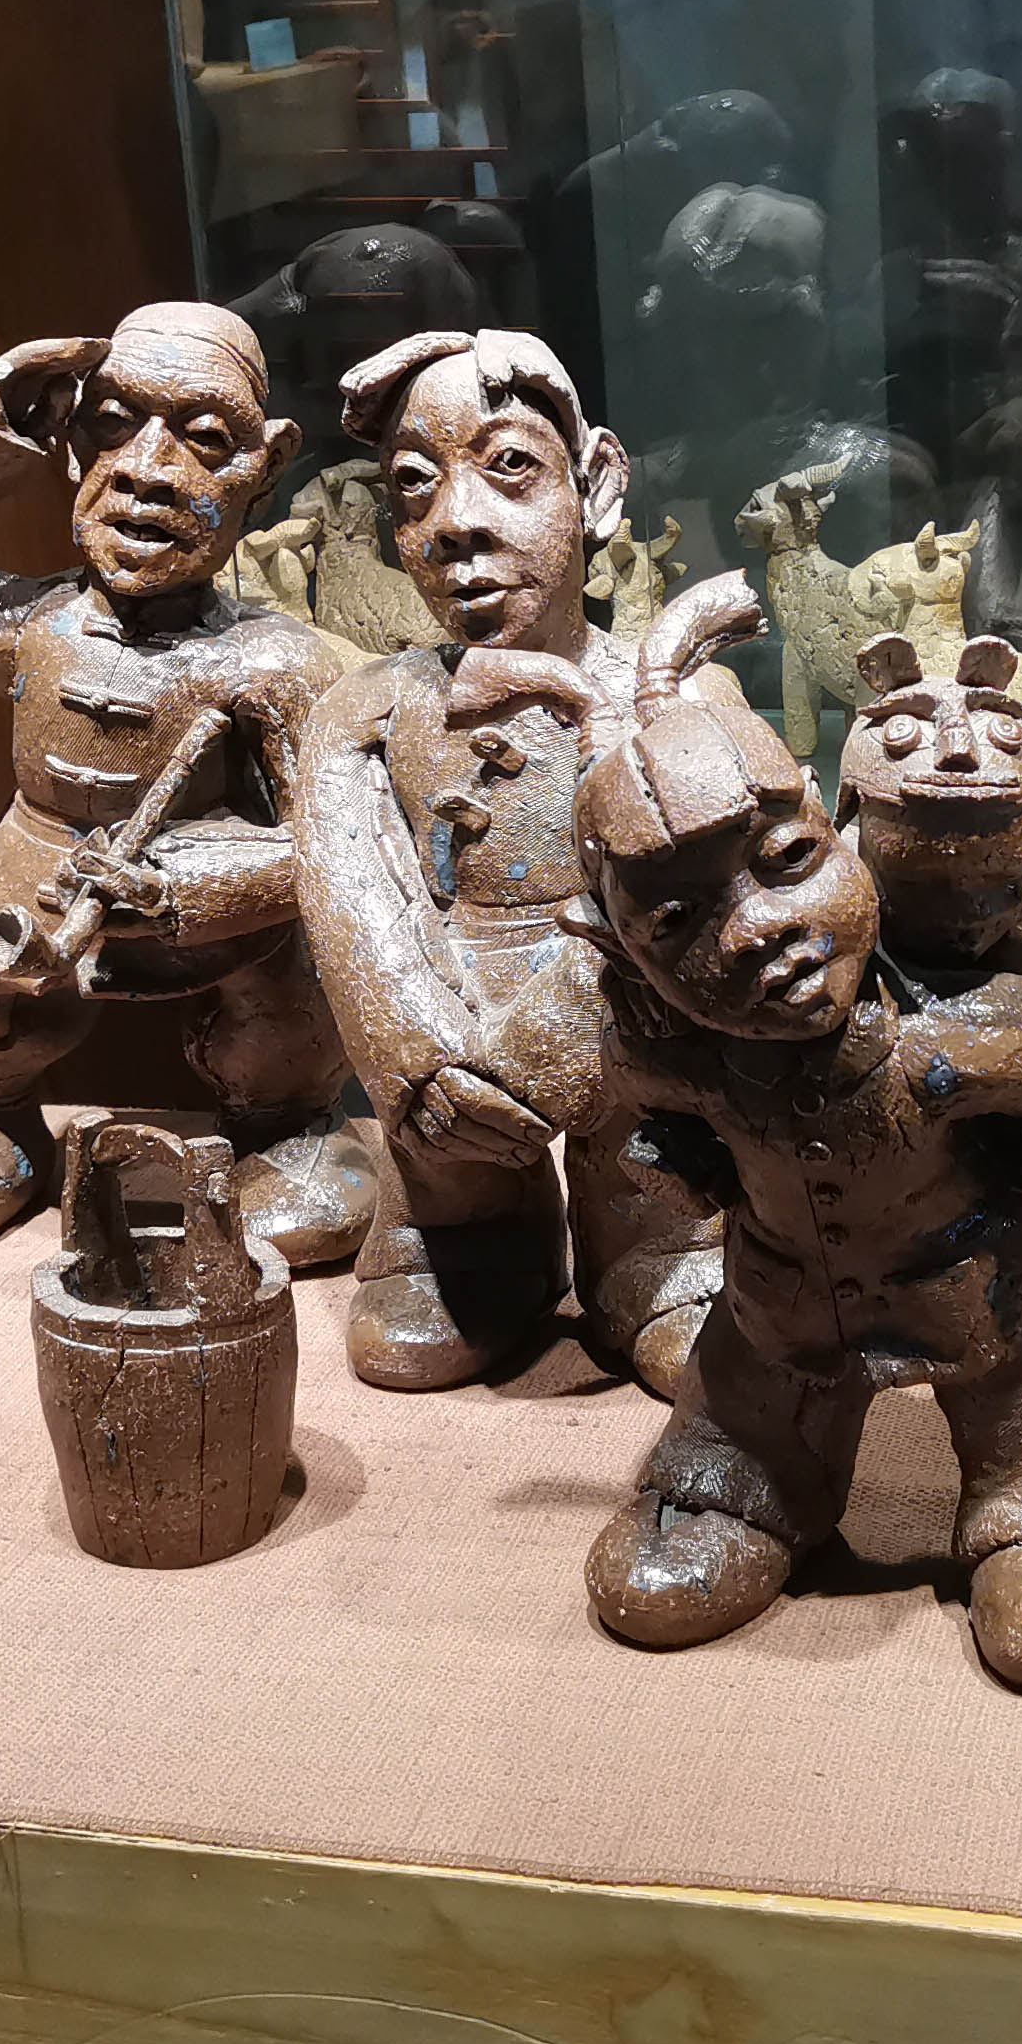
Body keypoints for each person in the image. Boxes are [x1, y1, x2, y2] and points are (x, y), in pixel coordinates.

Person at [568, 581, 1022, 1694]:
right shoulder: (676, 1054)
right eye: (677, 921)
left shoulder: (980, 1033)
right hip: (773, 1318)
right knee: (721, 1460)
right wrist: (677, 1151)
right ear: (620, 953)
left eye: (787, 863)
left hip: (996, 1314)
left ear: (840, 832)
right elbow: (632, 1093)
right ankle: (749, 1477)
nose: (758, 931)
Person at [0, 300, 369, 1272]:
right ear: (72, 444)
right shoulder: (38, 623)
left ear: (267, 463)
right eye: (112, 425)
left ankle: (287, 1129)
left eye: (206, 438)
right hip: (32, 886)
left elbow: (343, 846)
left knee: (285, 1014)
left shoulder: (275, 665)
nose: (148, 470)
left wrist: (193, 884)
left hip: (222, 909)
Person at [291, 328, 723, 1391]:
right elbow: (351, 905)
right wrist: (417, 1059)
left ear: (598, 488)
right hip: (453, 1027)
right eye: (412, 484)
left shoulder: (679, 691)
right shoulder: (365, 710)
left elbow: (726, 886)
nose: (456, 522)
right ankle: (469, 1238)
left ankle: (657, 1247)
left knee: (661, 1143)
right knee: (448, 1165)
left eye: (510, 466)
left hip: (635, 1026)